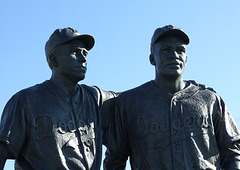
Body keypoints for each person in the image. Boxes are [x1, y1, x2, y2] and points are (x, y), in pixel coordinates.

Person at [102, 25, 240, 169]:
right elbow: (115, 159)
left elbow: (232, 150)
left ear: (186, 58)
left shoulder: (210, 100)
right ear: (152, 58)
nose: (174, 55)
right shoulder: (129, 103)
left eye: (180, 50)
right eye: (165, 49)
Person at [0, 27, 117, 169]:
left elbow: (133, 99)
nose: (83, 58)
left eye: (85, 53)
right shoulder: (25, 100)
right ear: (53, 59)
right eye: (74, 52)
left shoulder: (94, 97)